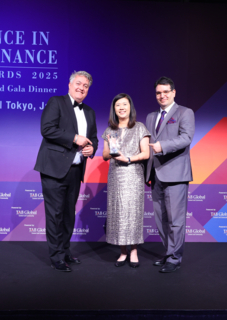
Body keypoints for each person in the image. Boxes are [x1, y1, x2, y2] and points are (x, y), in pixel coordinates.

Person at [34, 71, 98, 272]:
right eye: (78, 83)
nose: (81, 87)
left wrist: (91, 148)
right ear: (70, 85)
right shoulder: (56, 102)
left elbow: (94, 138)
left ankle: (65, 250)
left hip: (76, 169)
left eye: (85, 85)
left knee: (69, 214)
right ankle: (56, 257)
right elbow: (47, 129)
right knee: (55, 214)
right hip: (54, 168)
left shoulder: (89, 111)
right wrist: (74, 138)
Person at [145, 76, 195, 273]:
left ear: (173, 92)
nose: (162, 95)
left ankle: (175, 257)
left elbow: (186, 138)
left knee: (176, 220)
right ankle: (168, 252)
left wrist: (162, 146)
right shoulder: (150, 116)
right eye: (158, 92)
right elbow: (146, 145)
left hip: (176, 174)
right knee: (161, 220)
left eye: (166, 92)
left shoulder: (184, 112)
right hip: (155, 175)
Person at [102, 93, 150, 268]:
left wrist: (128, 158)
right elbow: (105, 155)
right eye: (118, 105)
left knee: (133, 212)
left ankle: (134, 250)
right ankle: (123, 251)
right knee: (118, 213)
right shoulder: (109, 130)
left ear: (130, 107)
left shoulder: (140, 127)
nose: (121, 108)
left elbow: (146, 153)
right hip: (115, 175)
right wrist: (113, 152)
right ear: (114, 109)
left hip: (133, 175)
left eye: (124, 104)